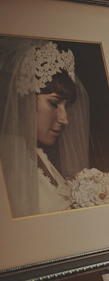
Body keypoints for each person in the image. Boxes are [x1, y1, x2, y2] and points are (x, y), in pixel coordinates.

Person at [0, 37, 89, 218]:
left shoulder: (37, 153)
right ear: (23, 99)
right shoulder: (7, 158)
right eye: (55, 103)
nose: (65, 120)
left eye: (66, 107)